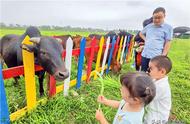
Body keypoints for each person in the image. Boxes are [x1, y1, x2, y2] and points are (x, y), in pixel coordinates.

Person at [139, 7, 173, 72]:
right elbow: (140, 33)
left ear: (164, 16)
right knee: (143, 72)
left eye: (159, 17)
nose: (157, 20)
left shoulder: (168, 28)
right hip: (145, 54)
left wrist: (163, 56)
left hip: (156, 56)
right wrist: (146, 40)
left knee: (153, 73)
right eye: (155, 18)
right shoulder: (149, 26)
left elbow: (168, 43)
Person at [144, 55, 172, 124]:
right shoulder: (156, 79)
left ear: (162, 72)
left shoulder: (161, 87)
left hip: (157, 118)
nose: (148, 70)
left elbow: (145, 98)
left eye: (151, 68)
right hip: (152, 111)